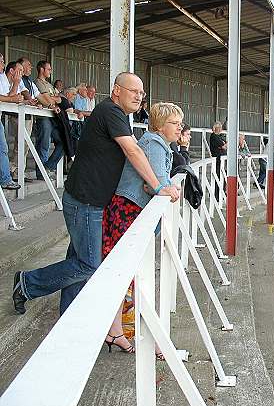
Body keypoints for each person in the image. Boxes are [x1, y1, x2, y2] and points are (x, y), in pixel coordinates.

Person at [12, 72, 180, 316]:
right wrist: (157, 186)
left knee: (79, 258)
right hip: (86, 202)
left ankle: (68, 316)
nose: (139, 96)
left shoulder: (117, 115)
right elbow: (133, 151)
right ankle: (28, 283)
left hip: (91, 201)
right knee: (88, 264)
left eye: (141, 93)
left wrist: (149, 182)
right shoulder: (110, 111)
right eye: (134, 91)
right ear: (116, 91)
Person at [102, 102, 183, 354]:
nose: (179, 127)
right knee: (131, 274)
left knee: (125, 274)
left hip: (128, 210)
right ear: (159, 125)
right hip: (128, 211)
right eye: (174, 123)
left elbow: (159, 181)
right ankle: (155, 340)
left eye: (180, 123)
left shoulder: (159, 144)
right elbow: (154, 184)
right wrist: (169, 188)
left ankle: (115, 331)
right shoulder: (154, 145)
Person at [33, 60, 64, 180]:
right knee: (43, 144)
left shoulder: (50, 85)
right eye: (48, 69)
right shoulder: (37, 83)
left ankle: (47, 166)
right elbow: (47, 99)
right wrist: (52, 98)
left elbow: (60, 99)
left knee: (64, 141)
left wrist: (51, 98)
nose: (50, 71)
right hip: (43, 118)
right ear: (42, 70)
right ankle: (41, 173)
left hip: (53, 118)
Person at [0, 54, 24, 190]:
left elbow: (9, 97)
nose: (3, 64)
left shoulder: (2, 78)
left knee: (3, 149)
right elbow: (10, 99)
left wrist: (15, 83)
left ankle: (5, 179)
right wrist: (12, 99)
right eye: (2, 62)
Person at [209, 121, 226, 200]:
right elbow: (224, 146)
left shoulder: (219, 137)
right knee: (218, 177)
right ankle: (216, 196)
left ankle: (220, 194)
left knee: (221, 177)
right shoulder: (214, 136)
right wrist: (223, 145)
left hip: (220, 159)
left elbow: (224, 145)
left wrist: (224, 145)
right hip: (217, 159)